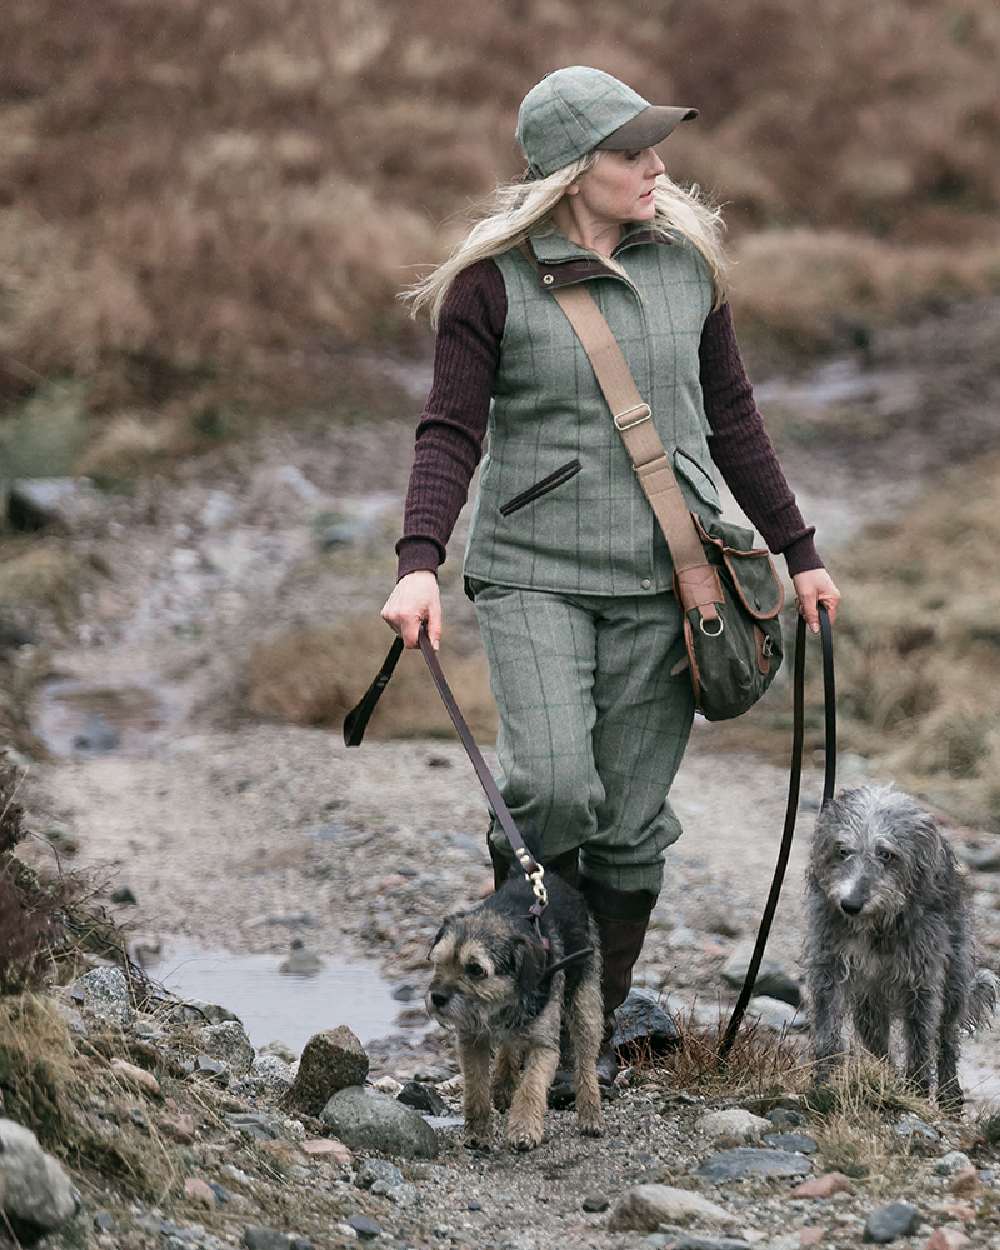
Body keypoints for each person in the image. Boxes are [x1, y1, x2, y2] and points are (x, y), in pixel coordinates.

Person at [381, 66, 841, 1077]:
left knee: (631, 832)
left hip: (675, 588)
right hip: (533, 575)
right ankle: (515, 993)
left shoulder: (685, 268)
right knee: (550, 786)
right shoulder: (490, 287)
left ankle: (587, 1021)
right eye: (632, 152)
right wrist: (419, 563)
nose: (657, 166)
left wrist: (798, 551)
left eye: (653, 148)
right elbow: (446, 431)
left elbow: (733, 419)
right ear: (570, 169)